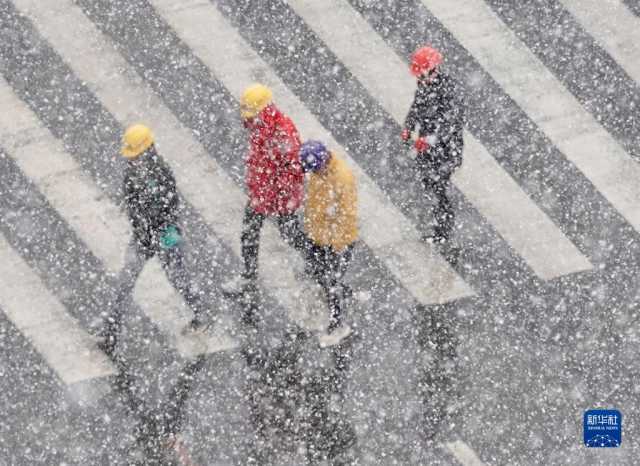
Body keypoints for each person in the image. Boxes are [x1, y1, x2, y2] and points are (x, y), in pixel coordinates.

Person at [99, 124, 208, 354]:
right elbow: (133, 204)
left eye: (135, 154)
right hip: (143, 235)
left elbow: (169, 207)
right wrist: (141, 228)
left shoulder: (161, 173)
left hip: (164, 234)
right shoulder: (132, 173)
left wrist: (154, 229)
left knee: (178, 277)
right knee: (125, 282)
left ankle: (201, 313)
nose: (132, 159)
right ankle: (110, 330)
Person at [222, 84, 307, 294]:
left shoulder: (282, 131)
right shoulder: (259, 126)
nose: (248, 119)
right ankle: (249, 274)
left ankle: (316, 264)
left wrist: (277, 193)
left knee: (290, 233)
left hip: (279, 196)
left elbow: (294, 168)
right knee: (249, 233)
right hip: (262, 193)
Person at [401, 45, 464, 243]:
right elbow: (417, 106)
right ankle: (440, 221)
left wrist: (429, 141)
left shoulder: (447, 90)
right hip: (429, 146)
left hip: (446, 150)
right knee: (430, 182)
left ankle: (442, 231)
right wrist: (409, 125)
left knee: (439, 188)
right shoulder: (424, 84)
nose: (420, 76)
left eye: (422, 71)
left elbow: (450, 124)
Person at [299, 141, 357, 336]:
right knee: (319, 273)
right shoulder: (319, 172)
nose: (312, 174)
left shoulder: (342, 178)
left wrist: (338, 244)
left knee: (330, 279)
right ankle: (339, 293)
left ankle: (336, 320)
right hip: (318, 234)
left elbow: (346, 214)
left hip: (335, 239)